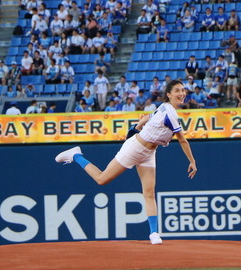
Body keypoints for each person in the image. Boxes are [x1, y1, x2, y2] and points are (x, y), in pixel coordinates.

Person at [54, 80, 197, 245]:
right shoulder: (170, 112)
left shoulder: (164, 108)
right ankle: (76, 155)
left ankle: (154, 233)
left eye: (183, 90)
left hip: (149, 152)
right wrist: (192, 161)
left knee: (149, 192)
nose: (182, 94)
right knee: (101, 179)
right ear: (169, 94)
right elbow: (182, 140)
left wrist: (139, 124)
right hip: (134, 148)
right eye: (178, 90)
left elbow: (149, 116)